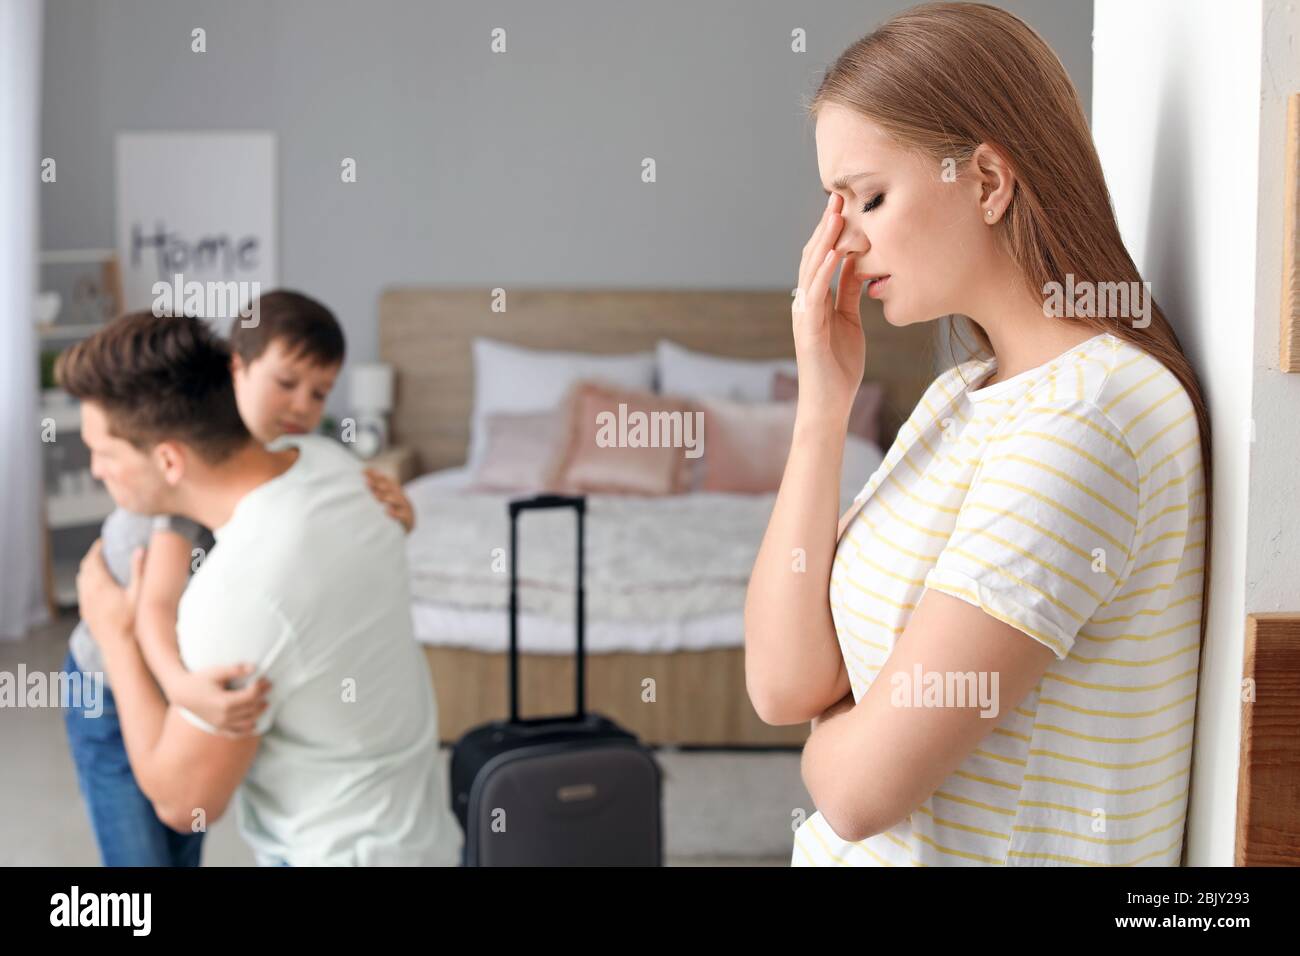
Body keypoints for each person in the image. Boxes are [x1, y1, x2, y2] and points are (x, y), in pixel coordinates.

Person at [744, 2, 1211, 867]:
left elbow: (854, 794)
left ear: (988, 182)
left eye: (869, 197)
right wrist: (821, 406)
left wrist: (827, 742)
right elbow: (782, 683)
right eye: (833, 204)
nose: (838, 240)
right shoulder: (965, 394)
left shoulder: (1089, 422)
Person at [62, 309, 458, 866]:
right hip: (421, 840)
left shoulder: (237, 593)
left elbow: (181, 801)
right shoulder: (338, 467)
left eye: (104, 453)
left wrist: (115, 635)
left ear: (170, 459)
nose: (97, 470)